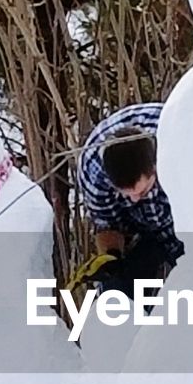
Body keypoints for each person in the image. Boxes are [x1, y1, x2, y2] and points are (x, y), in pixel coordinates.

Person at [76, 102, 183, 297]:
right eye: (126, 194)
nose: (134, 199)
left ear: (157, 166)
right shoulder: (94, 175)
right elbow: (108, 226)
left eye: (141, 192)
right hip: (138, 228)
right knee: (116, 291)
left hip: (182, 220)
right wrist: (111, 258)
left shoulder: (180, 146)